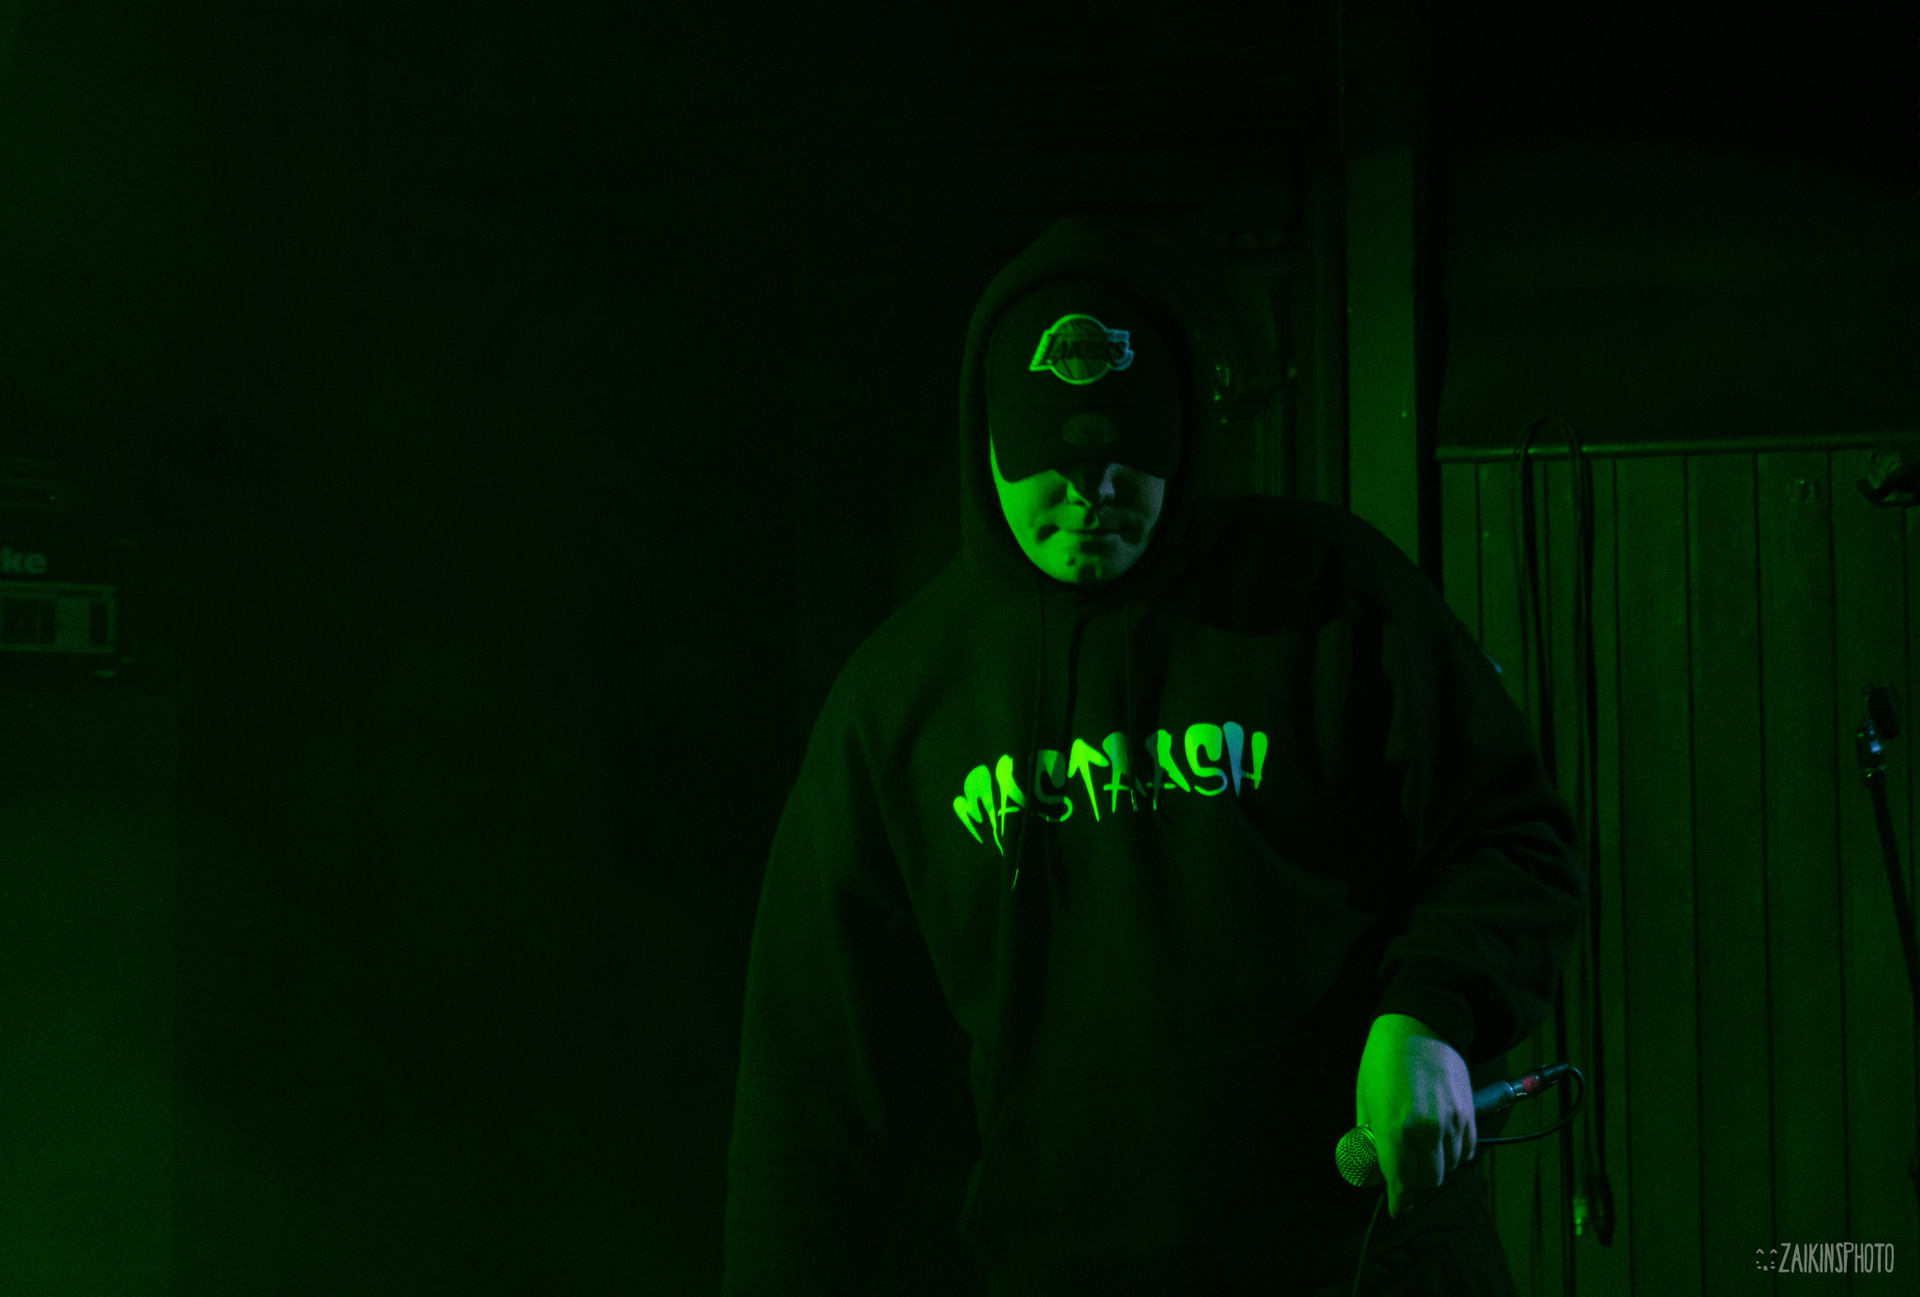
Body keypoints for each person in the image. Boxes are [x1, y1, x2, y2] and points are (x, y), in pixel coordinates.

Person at [722, 215, 1586, 1295]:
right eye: (1051, 459)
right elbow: (811, 1086)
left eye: (1124, 454)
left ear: (1182, 432)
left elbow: (1515, 836)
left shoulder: (1331, 595)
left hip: (1371, 1261)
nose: (1091, 493)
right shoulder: (896, 705)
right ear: (986, 441)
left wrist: (1430, 1015)